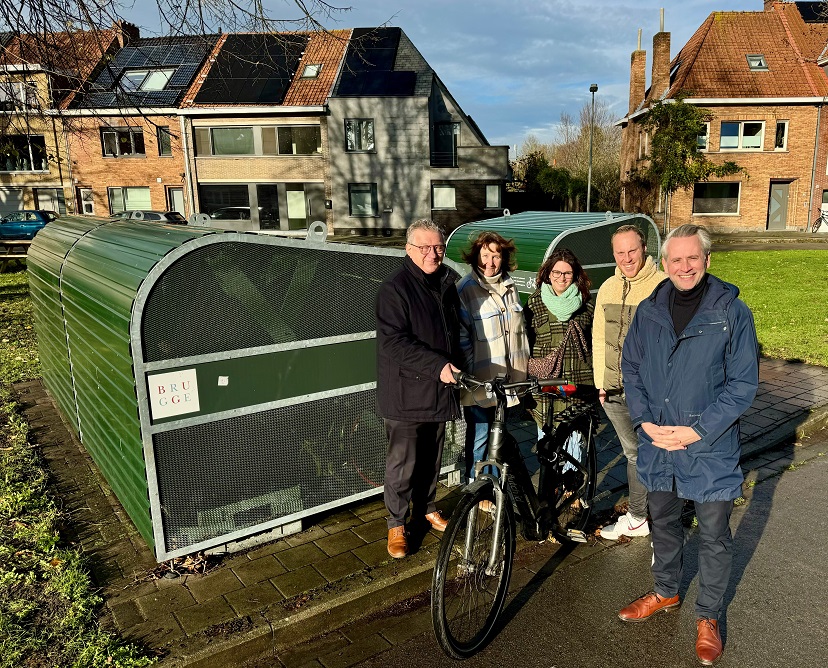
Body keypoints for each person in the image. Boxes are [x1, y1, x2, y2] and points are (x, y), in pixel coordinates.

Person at [619, 224, 759, 666]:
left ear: (707, 261)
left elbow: (742, 385)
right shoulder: (648, 311)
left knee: (715, 534)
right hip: (659, 443)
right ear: (664, 264)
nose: (684, 267)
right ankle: (665, 591)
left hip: (709, 447)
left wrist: (697, 431)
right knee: (662, 522)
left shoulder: (732, 312)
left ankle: (709, 616)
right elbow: (632, 370)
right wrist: (643, 421)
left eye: (692, 259)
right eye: (675, 260)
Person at [376, 219, 462, 559]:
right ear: (409, 250)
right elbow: (394, 343)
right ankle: (396, 523)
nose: (433, 253)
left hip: (440, 388)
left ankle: (426, 506)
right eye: (424, 247)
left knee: (432, 455)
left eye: (438, 247)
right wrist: (438, 366)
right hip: (406, 393)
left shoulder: (445, 284)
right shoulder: (394, 289)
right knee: (402, 461)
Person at [593, 225, 666, 540]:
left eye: (632, 250)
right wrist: (600, 383)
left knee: (652, 452)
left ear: (645, 249)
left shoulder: (663, 287)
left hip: (648, 394)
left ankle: (646, 516)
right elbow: (598, 337)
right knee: (634, 453)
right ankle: (641, 516)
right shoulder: (608, 287)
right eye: (620, 252)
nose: (626, 258)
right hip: (612, 392)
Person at [456, 231, 529, 484]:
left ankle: (494, 486)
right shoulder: (465, 290)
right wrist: (471, 378)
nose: (490, 262)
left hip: (507, 381)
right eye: (484, 255)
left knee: (498, 437)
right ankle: (475, 489)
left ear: (504, 258)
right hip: (480, 382)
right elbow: (462, 339)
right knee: (480, 436)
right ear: (475, 256)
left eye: (496, 255)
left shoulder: (510, 286)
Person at [524, 249, 596, 434]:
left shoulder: (586, 303)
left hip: (577, 385)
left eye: (567, 273)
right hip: (545, 386)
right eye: (556, 272)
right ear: (548, 273)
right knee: (547, 446)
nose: (561, 277)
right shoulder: (534, 303)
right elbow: (524, 342)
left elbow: (595, 342)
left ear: (575, 275)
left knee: (575, 445)